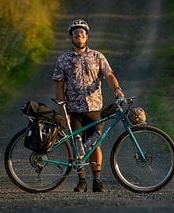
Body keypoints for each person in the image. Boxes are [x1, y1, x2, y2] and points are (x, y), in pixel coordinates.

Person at [52, 19, 124, 192]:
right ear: (71, 37)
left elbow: (108, 75)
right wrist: (62, 107)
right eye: (76, 33)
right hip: (74, 109)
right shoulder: (63, 59)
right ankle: (81, 180)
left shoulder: (97, 56)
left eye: (82, 33)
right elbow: (59, 84)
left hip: (94, 108)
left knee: (94, 144)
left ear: (87, 36)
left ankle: (97, 181)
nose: (79, 36)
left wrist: (117, 90)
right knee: (78, 144)